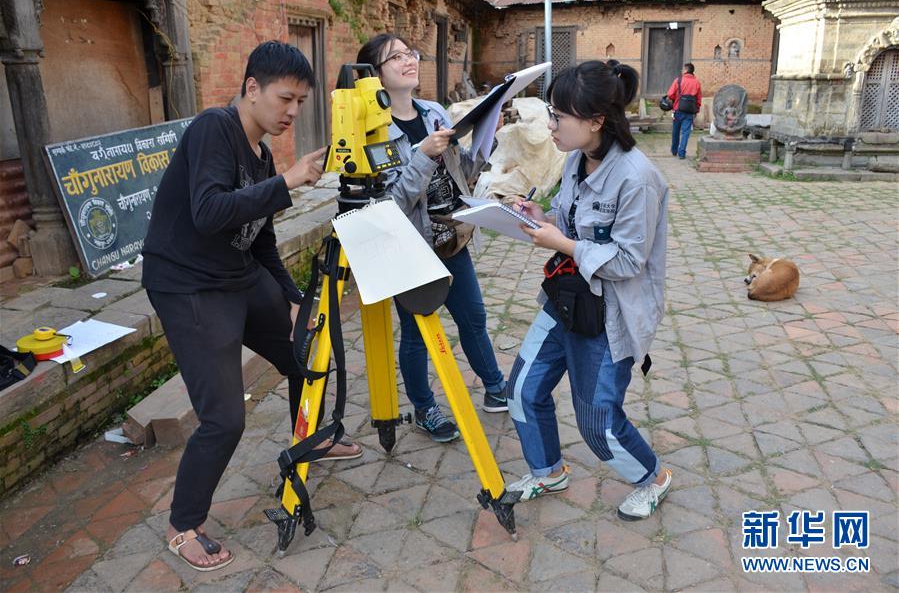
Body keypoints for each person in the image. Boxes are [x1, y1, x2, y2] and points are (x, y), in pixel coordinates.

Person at [142, 41, 361, 571]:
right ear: (252, 89)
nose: (291, 112)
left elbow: (258, 239)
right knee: (224, 418)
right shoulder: (213, 129)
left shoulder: (262, 154)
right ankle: (183, 524)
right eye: (285, 98)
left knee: (307, 352)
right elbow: (210, 212)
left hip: (237, 275)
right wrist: (286, 183)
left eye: (300, 103)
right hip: (188, 285)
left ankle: (306, 441)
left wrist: (290, 299)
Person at [508, 60, 673, 521]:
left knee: (597, 422)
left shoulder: (638, 179)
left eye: (559, 115)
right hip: (566, 299)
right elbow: (570, 219)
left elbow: (626, 260)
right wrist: (539, 219)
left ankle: (653, 477)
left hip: (609, 313)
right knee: (522, 389)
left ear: (596, 121)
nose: (550, 124)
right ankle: (547, 470)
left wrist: (561, 242)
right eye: (551, 111)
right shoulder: (577, 158)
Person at [356, 34, 508, 443]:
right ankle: (425, 409)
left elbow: (461, 173)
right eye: (396, 57)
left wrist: (485, 135)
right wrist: (422, 154)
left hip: (450, 237)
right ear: (375, 74)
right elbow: (390, 203)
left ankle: (496, 388)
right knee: (418, 333)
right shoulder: (372, 131)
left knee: (473, 317)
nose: (409, 61)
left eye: (410, 53)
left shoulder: (433, 111)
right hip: (409, 248)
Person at [666, 62, 702, 159]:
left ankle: (674, 150)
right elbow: (698, 99)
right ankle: (682, 153)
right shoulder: (697, 82)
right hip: (690, 111)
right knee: (686, 133)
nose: (682, 71)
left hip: (678, 109)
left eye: (683, 69)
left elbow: (670, 94)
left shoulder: (678, 80)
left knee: (676, 131)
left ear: (686, 70)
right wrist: (696, 110)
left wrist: (675, 98)